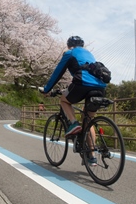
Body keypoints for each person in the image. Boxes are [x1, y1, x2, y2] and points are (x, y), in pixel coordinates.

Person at [40, 36, 106, 165]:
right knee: (88, 119)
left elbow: (58, 72)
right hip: (100, 86)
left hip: (82, 83)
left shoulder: (70, 53)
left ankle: (74, 124)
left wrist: (47, 89)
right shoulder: (89, 54)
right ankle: (91, 156)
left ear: (69, 45)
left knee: (64, 100)